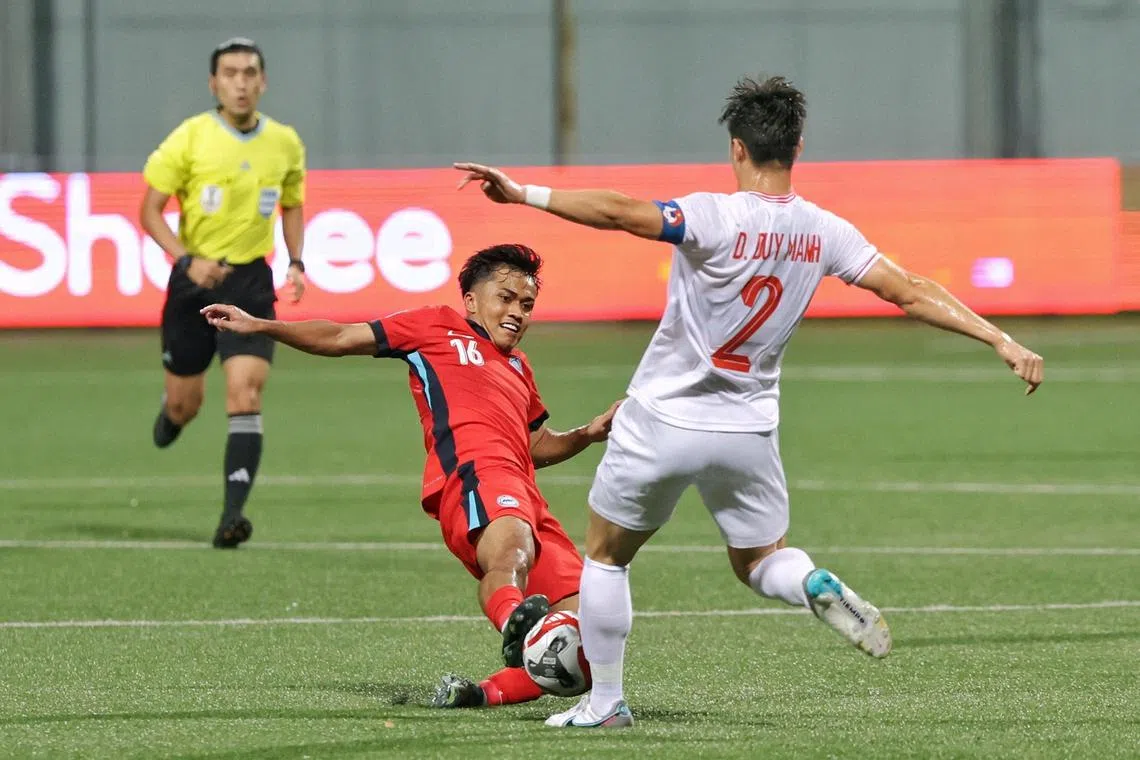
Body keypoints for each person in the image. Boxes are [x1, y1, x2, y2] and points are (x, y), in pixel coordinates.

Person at [455, 75, 1045, 728]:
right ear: (798, 147)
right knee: (762, 561)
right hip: (748, 430)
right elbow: (907, 289)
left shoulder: (712, 215)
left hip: (662, 421)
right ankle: (812, 582)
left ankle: (606, 702)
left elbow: (621, 211)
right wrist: (1000, 339)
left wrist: (524, 193)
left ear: (737, 149)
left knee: (606, 555)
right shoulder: (823, 232)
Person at [201, 244, 620, 708]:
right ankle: (515, 626)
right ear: (471, 300)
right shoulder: (435, 325)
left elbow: (536, 445)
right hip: (474, 474)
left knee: (591, 632)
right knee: (510, 556)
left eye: (527, 305)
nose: (517, 312)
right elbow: (341, 337)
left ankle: (482, 694)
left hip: (525, 491)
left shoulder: (520, 367)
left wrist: (589, 432)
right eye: (505, 298)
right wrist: (261, 326)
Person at [139, 37, 307, 548]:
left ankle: (232, 516)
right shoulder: (189, 138)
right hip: (194, 283)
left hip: (251, 285)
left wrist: (296, 260)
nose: (240, 81)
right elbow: (149, 210)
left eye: (249, 72)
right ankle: (173, 417)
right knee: (185, 403)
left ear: (263, 81)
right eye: (230, 73)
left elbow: (293, 204)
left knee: (245, 392)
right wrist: (187, 259)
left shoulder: (284, 142)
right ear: (214, 83)